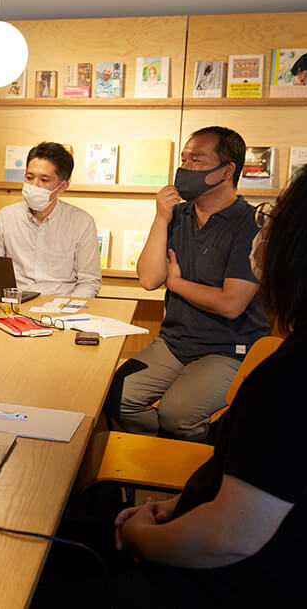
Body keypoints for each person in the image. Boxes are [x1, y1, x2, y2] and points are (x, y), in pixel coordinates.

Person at [35, 160, 307, 608]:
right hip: (214, 532)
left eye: (274, 219)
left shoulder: (306, 373)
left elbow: (229, 537)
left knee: (38, 572)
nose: (263, 231)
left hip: (231, 580)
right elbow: (253, 485)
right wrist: (175, 507)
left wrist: (141, 538)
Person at [107, 126, 269, 441]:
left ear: (227, 171)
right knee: (117, 395)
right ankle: (164, 452)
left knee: (177, 414)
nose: (184, 168)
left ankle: (196, 463)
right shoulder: (176, 215)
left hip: (229, 350)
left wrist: (177, 283)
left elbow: (231, 304)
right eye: (183, 159)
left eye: (196, 160)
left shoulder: (251, 223)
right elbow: (149, 279)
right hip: (173, 343)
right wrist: (161, 218)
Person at [0, 142, 101, 297]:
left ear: (62, 186)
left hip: (60, 305)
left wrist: (69, 308)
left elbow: (89, 283)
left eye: (44, 180)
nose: (34, 185)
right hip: (14, 304)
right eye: (29, 177)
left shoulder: (82, 223)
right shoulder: (5, 217)